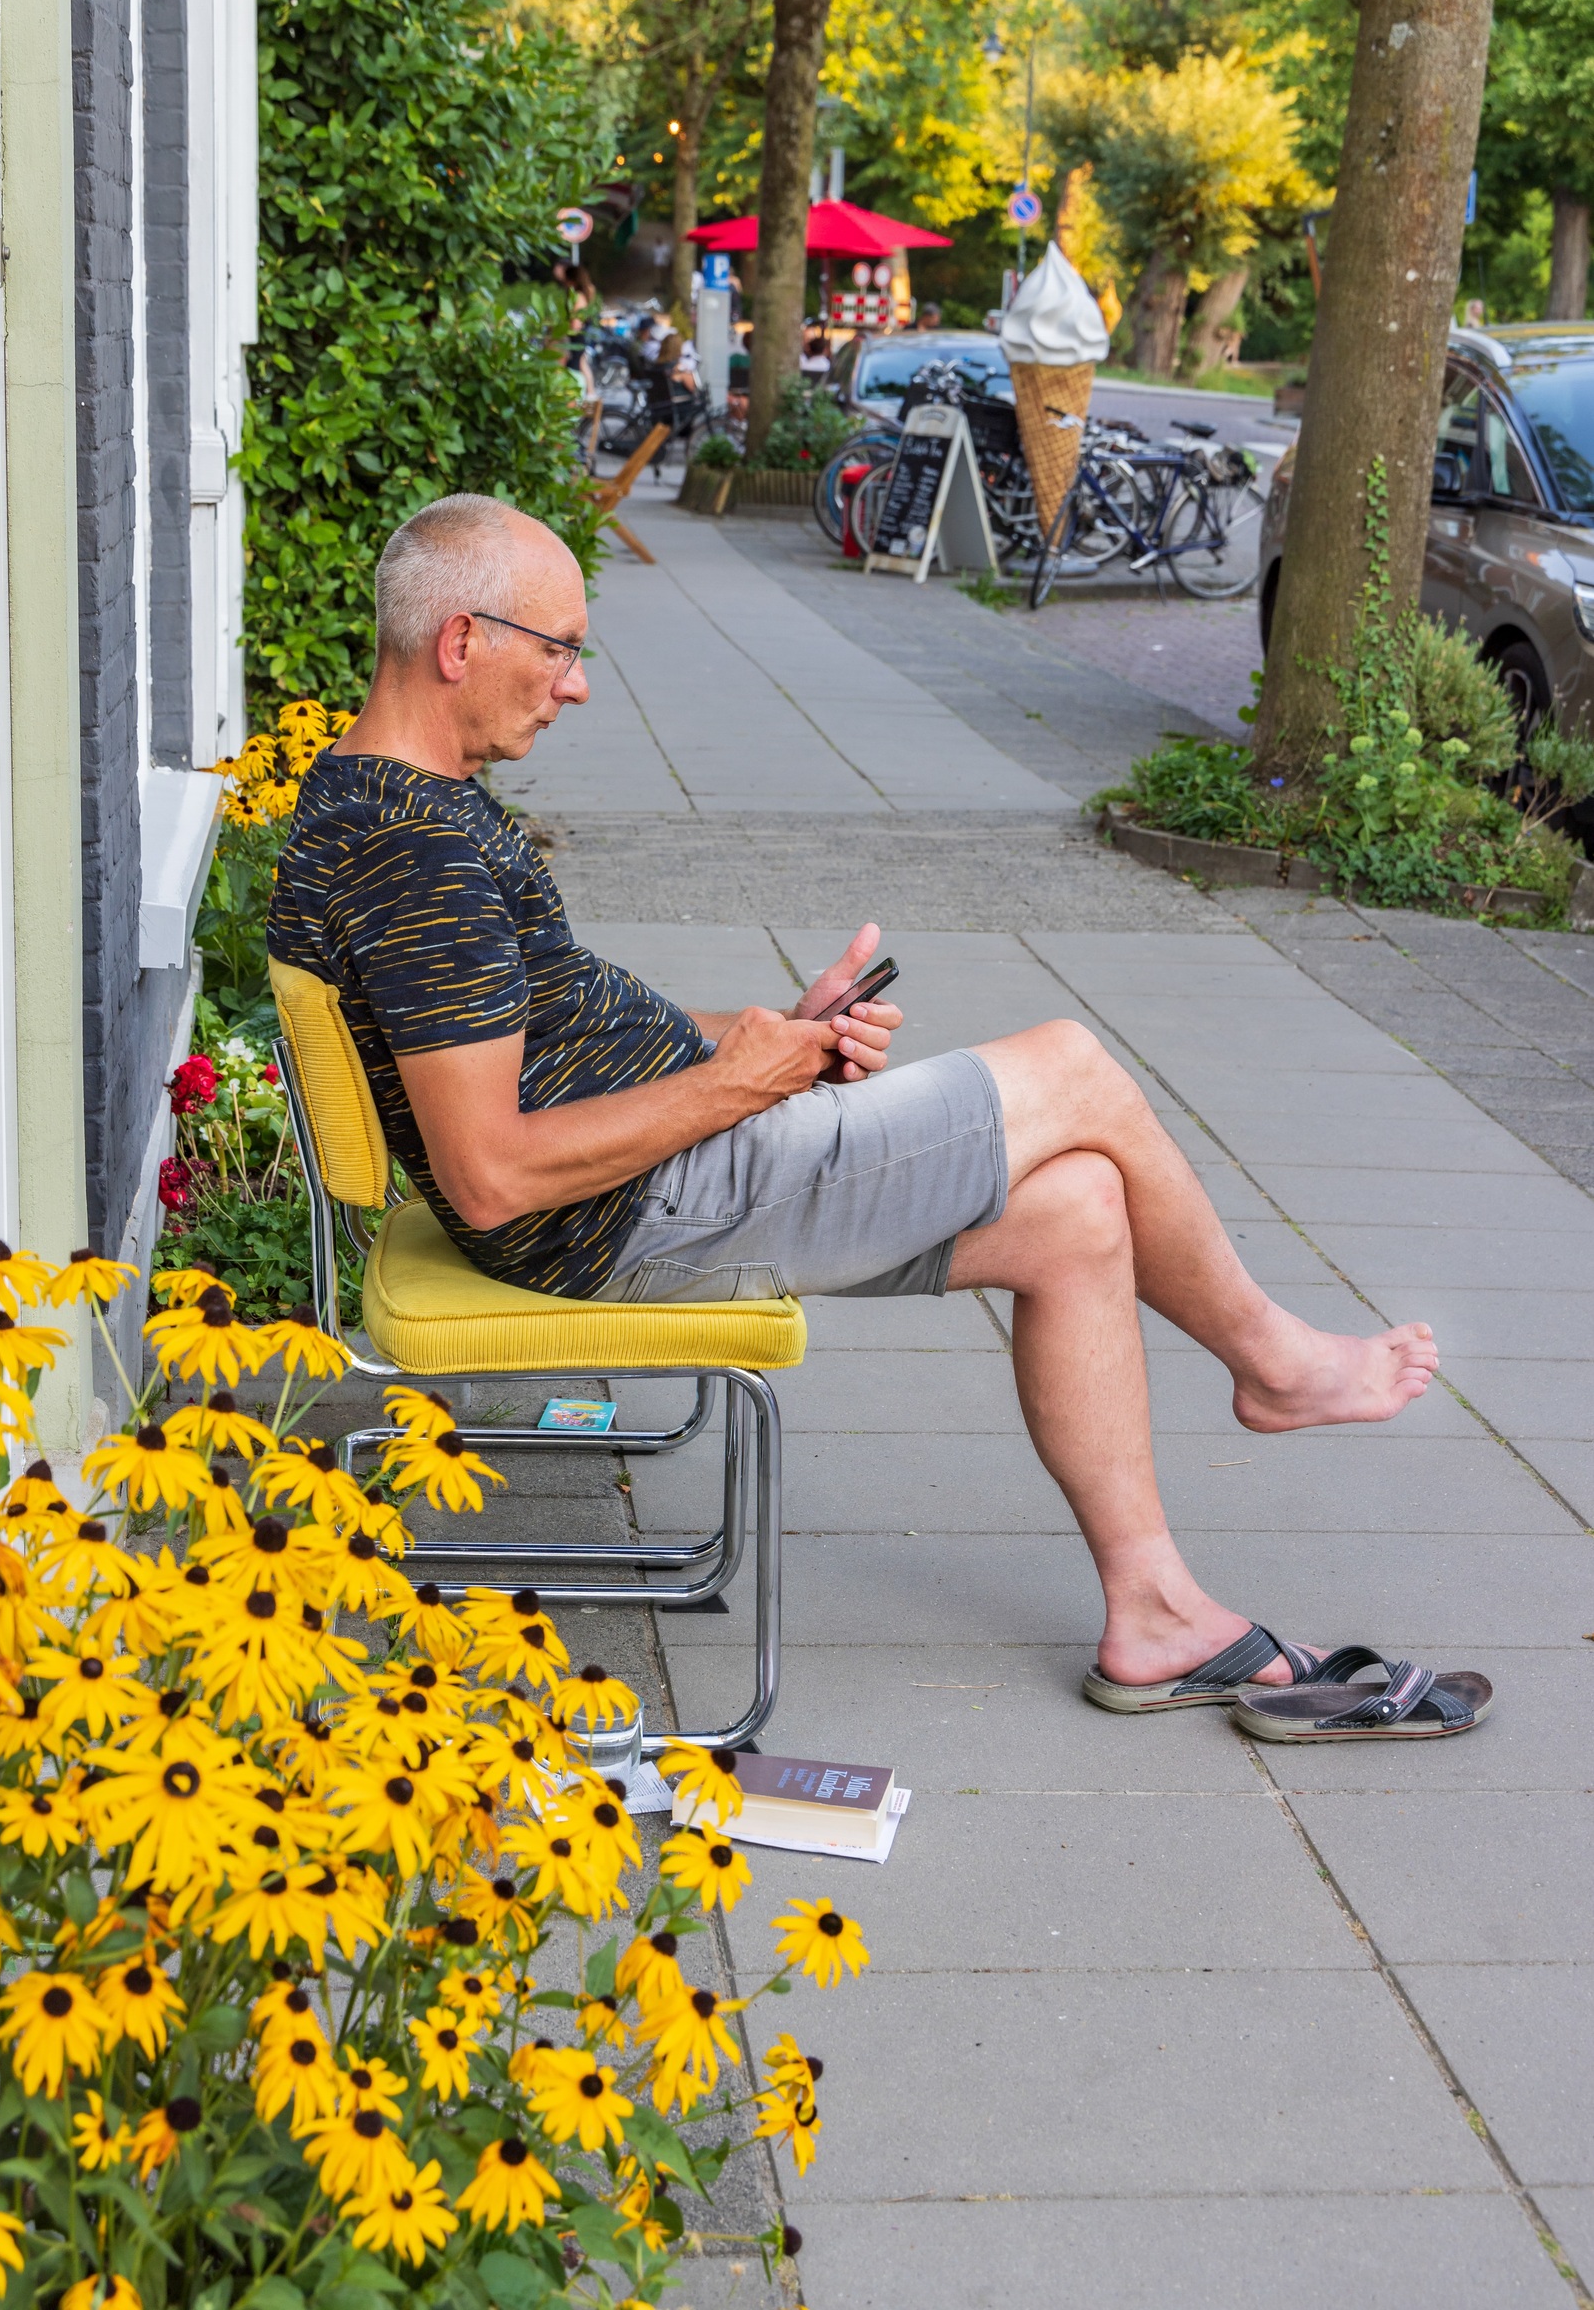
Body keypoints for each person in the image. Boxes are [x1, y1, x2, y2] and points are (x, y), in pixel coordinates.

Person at [267, 496, 1482, 1737]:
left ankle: (1158, 1613)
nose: (575, 686)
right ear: (461, 640)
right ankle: (1276, 1366)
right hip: (633, 1210)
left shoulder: (388, 800)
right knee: (1072, 1066)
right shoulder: (411, 851)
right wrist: (734, 1087)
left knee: (1073, 1210)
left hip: (668, 1164)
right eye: (559, 649)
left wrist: (771, 1044)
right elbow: (488, 1174)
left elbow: (535, 1037)